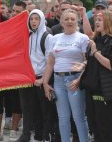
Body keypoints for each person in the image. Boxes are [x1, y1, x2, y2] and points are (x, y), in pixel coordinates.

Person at [78, 10, 112, 142]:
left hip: (105, 90)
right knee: (93, 125)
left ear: (109, 22)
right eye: (96, 20)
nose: (96, 22)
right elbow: (90, 63)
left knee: (103, 126)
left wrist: (95, 52)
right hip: (91, 87)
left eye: (100, 20)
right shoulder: (96, 39)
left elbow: (111, 65)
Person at [43, 9, 89, 142]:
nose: (69, 21)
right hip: (58, 81)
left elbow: (88, 61)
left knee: (78, 117)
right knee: (62, 117)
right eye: (66, 19)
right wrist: (46, 83)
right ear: (61, 22)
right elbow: (50, 63)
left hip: (75, 80)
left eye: (72, 19)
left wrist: (79, 78)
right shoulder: (54, 38)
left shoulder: (82, 38)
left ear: (77, 21)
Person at [7, 9, 53, 142]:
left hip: (42, 79)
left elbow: (50, 61)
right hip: (27, 78)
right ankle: (25, 134)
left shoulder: (47, 37)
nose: (33, 22)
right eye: (31, 19)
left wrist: (44, 79)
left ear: (42, 20)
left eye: (36, 19)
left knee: (43, 109)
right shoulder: (26, 36)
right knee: (27, 108)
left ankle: (44, 135)